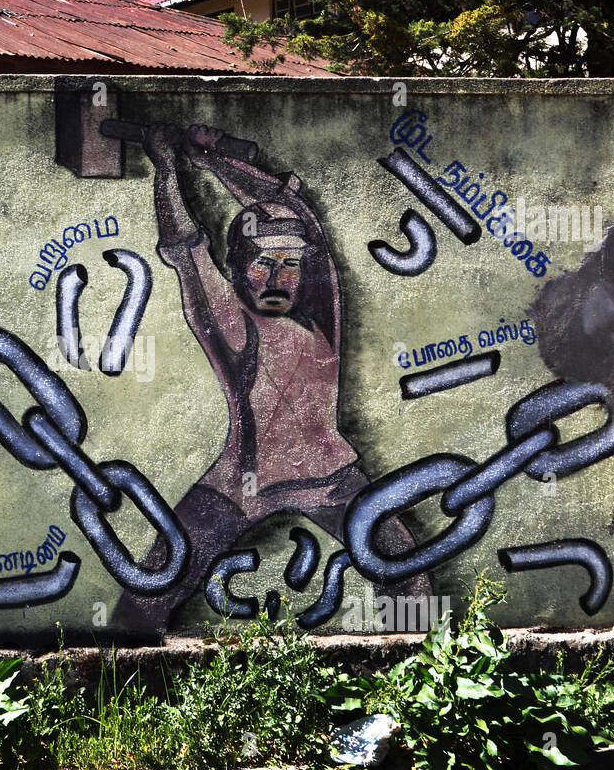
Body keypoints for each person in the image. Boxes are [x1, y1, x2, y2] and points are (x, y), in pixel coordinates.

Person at [111, 124, 430, 634]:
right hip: (242, 484)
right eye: (263, 264)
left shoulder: (318, 318)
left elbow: (302, 216)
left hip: (333, 479)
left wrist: (216, 162)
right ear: (238, 266)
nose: (280, 277)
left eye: (290, 264)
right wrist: (168, 171)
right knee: (145, 598)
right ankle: (121, 693)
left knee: (409, 582)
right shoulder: (231, 322)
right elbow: (187, 252)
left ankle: (417, 685)